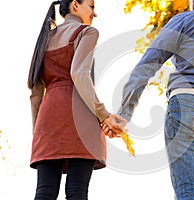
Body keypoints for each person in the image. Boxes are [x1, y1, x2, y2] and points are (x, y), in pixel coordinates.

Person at [104, 0, 194, 199]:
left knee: (192, 191)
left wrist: (124, 112)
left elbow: (147, 66)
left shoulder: (185, 21)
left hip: (187, 105)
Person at [28, 0, 125, 199]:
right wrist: (103, 115)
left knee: (44, 192)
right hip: (78, 114)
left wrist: (37, 132)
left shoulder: (43, 39)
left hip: (47, 119)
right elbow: (79, 74)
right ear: (75, 5)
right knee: (77, 191)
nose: (94, 14)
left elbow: (36, 93)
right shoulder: (87, 32)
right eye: (91, 6)